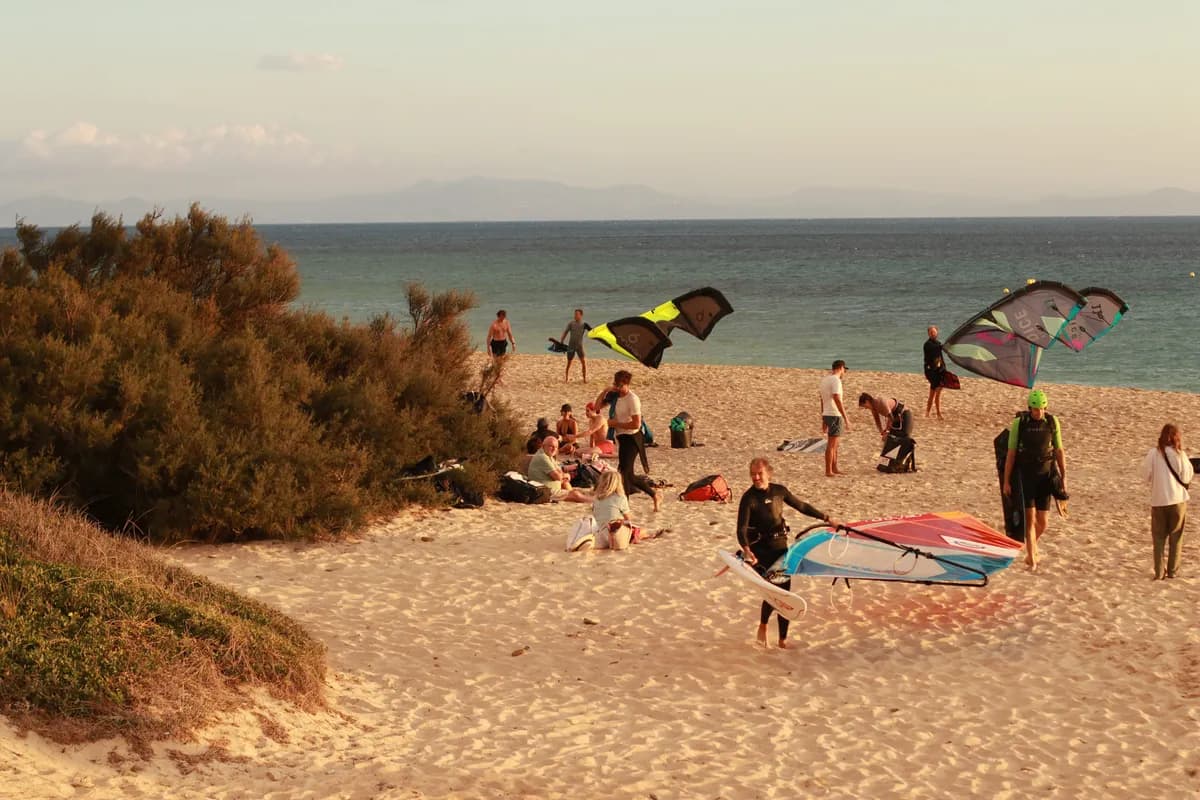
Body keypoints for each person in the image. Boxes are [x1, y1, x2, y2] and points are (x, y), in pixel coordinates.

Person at [736, 457, 841, 649]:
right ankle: (764, 625)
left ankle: (782, 640)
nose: (756, 477)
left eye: (759, 474)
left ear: (769, 473)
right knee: (773, 591)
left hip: (781, 548)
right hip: (761, 551)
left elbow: (802, 507)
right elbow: (741, 529)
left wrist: (827, 518)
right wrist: (747, 550)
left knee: (786, 594)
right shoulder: (748, 498)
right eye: (753, 474)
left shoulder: (779, 491)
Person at [1002, 389, 1067, 571]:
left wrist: (1063, 477)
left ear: (1045, 407)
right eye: (1035, 409)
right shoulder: (1020, 423)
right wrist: (1006, 481)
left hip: (1045, 477)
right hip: (1027, 477)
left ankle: (1031, 546)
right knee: (1029, 520)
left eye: (1041, 409)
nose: (1038, 412)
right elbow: (1011, 453)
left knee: (1043, 521)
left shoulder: (1052, 423)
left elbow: (1059, 450)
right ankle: (1032, 558)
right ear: (1029, 408)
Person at [595, 370, 662, 511]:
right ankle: (653, 494)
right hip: (622, 437)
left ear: (627, 384)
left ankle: (625, 506)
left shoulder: (633, 399)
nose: (618, 388)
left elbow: (636, 424)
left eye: (620, 385)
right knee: (628, 474)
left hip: (633, 438)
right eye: (615, 384)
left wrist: (615, 423)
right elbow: (597, 408)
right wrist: (605, 390)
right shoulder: (614, 396)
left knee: (624, 473)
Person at [1139, 423, 1192, 580]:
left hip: (1159, 500)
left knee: (1159, 538)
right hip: (1178, 500)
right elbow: (1187, 476)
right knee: (1176, 537)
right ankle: (1173, 571)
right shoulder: (1180, 455)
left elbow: (1145, 475)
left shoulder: (1154, 454)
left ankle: (1159, 572)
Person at [527, 436, 592, 503]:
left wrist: (563, 476)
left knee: (566, 483)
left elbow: (559, 471)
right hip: (545, 492)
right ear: (543, 446)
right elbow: (557, 477)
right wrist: (566, 475)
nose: (554, 449)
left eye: (556, 447)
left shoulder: (548, 456)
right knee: (575, 494)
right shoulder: (542, 457)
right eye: (551, 446)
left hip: (550, 488)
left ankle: (578, 496)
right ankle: (594, 501)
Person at [818, 360, 850, 477]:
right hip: (834, 414)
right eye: (844, 370)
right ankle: (828, 470)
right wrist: (846, 417)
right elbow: (836, 398)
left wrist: (823, 417)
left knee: (835, 444)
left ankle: (834, 467)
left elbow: (822, 399)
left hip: (827, 413)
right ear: (841, 368)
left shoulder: (825, 380)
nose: (844, 372)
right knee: (832, 444)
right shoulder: (836, 380)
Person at [591, 471, 635, 550]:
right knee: (638, 531)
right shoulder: (620, 498)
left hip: (599, 533)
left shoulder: (597, 498)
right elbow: (628, 518)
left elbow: (595, 514)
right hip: (613, 534)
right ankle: (651, 535)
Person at [559, 308, 592, 383]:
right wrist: (561, 341)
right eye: (575, 314)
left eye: (577, 314)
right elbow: (565, 332)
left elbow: (592, 331)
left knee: (583, 362)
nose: (575, 316)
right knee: (569, 362)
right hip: (571, 346)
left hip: (579, 346)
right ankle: (566, 378)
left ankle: (584, 379)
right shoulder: (571, 323)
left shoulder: (584, 324)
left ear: (581, 315)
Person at [923, 326, 946, 419]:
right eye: (931, 332)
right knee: (934, 392)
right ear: (928, 334)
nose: (933, 334)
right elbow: (935, 349)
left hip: (940, 370)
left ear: (937, 332)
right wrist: (943, 346)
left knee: (935, 392)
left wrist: (944, 368)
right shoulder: (927, 344)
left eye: (934, 332)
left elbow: (940, 357)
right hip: (931, 371)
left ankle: (930, 413)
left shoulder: (938, 344)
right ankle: (936, 413)